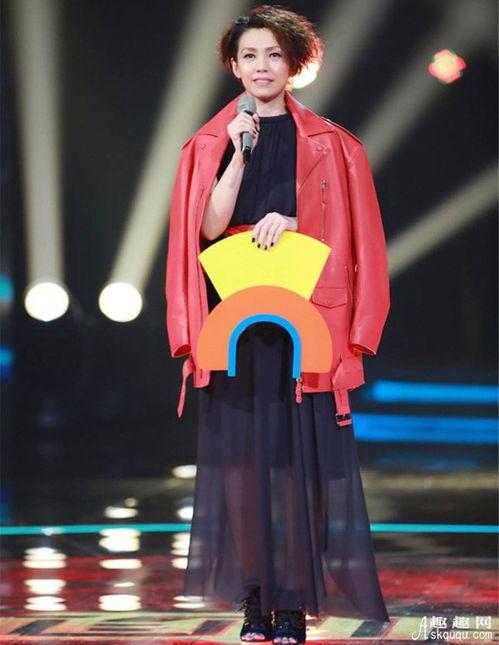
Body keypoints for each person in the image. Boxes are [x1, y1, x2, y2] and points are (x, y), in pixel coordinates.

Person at [165, 5, 391, 644]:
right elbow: (207, 228)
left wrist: (294, 224)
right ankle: (255, 602)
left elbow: (361, 240)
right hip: (233, 323)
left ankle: (291, 602)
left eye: (273, 55)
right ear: (234, 66)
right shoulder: (210, 142)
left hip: (305, 321)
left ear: (294, 63)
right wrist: (237, 155)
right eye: (249, 56)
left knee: (296, 466)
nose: (261, 67)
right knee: (240, 467)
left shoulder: (333, 144)